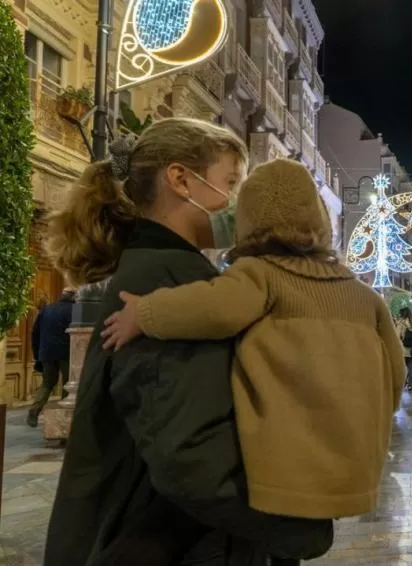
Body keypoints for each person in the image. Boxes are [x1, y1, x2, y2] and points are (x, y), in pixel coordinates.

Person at [43, 120, 332, 566]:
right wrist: (295, 527)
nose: (238, 203)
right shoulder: (166, 286)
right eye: (231, 182)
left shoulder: (170, 274)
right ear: (180, 180)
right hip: (170, 544)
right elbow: (192, 454)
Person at [101, 157, 406, 520]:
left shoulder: (260, 276)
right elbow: (396, 374)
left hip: (281, 473)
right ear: (321, 220)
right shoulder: (365, 296)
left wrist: (144, 313)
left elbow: (211, 308)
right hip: (354, 471)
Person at [27, 289, 75, 428]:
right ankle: (64, 419)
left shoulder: (47, 310)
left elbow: (35, 333)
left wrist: (38, 355)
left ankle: (34, 411)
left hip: (47, 353)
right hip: (66, 353)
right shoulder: (75, 310)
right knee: (69, 385)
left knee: (47, 384)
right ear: (73, 297)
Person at [397, 307, 412, 391]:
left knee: (402, 366)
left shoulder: (402, 322)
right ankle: (410, 385)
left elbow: (397, 335)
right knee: (411, 366)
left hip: (403, 347)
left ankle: (402, 384)